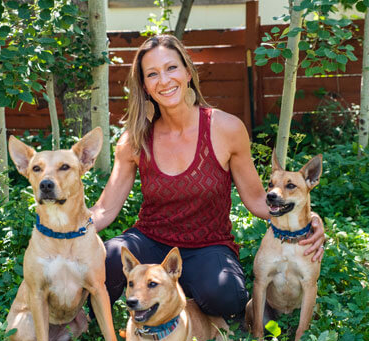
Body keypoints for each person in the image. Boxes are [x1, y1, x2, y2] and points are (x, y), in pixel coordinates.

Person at [90, 34, 325, 321]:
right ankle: (91, 317)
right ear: (144, 86)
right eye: (152, 74)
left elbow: (256, 200)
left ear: (188, 72)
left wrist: (309, 219)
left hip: (208, 246)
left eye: (171, 68)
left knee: (227, 298)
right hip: (151, 240)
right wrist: (57, 226)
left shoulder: (226, 128)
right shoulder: (135, 139)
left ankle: (181, 301)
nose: (164, 80)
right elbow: (104, 209)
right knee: (110, 256)